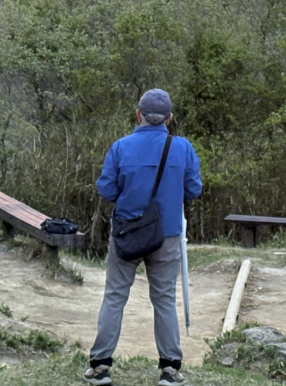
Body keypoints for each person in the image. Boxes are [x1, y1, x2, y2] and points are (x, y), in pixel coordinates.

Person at [86, 89, 202, 386]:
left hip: (126, 233)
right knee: (164, 299)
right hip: (167, 236)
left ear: (138, 115)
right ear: (169, 119)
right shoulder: (183, 148)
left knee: (114, 296)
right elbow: (193, 190)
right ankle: (170, 369)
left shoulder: (121, 147)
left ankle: (100, 366)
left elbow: (107, 190)